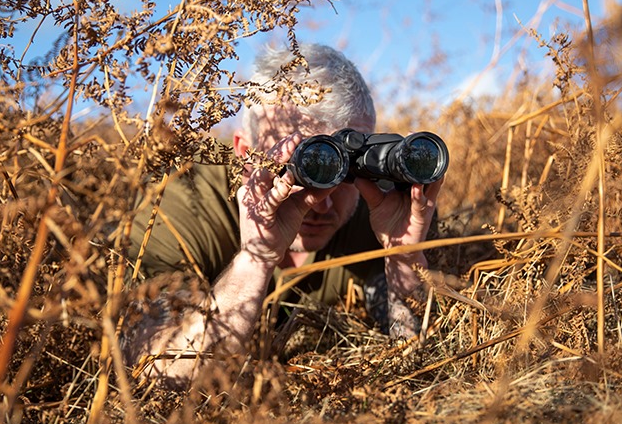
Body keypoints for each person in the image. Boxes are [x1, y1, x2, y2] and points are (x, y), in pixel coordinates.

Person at [121, 43, 443, 387]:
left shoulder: (387, 209)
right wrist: (254, 259)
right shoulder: (185, 206)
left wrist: (403, 258)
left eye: (345, 173)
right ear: (246, 152)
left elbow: (419, 355)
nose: (322, 204)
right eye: (303, 170)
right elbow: (158, 371)